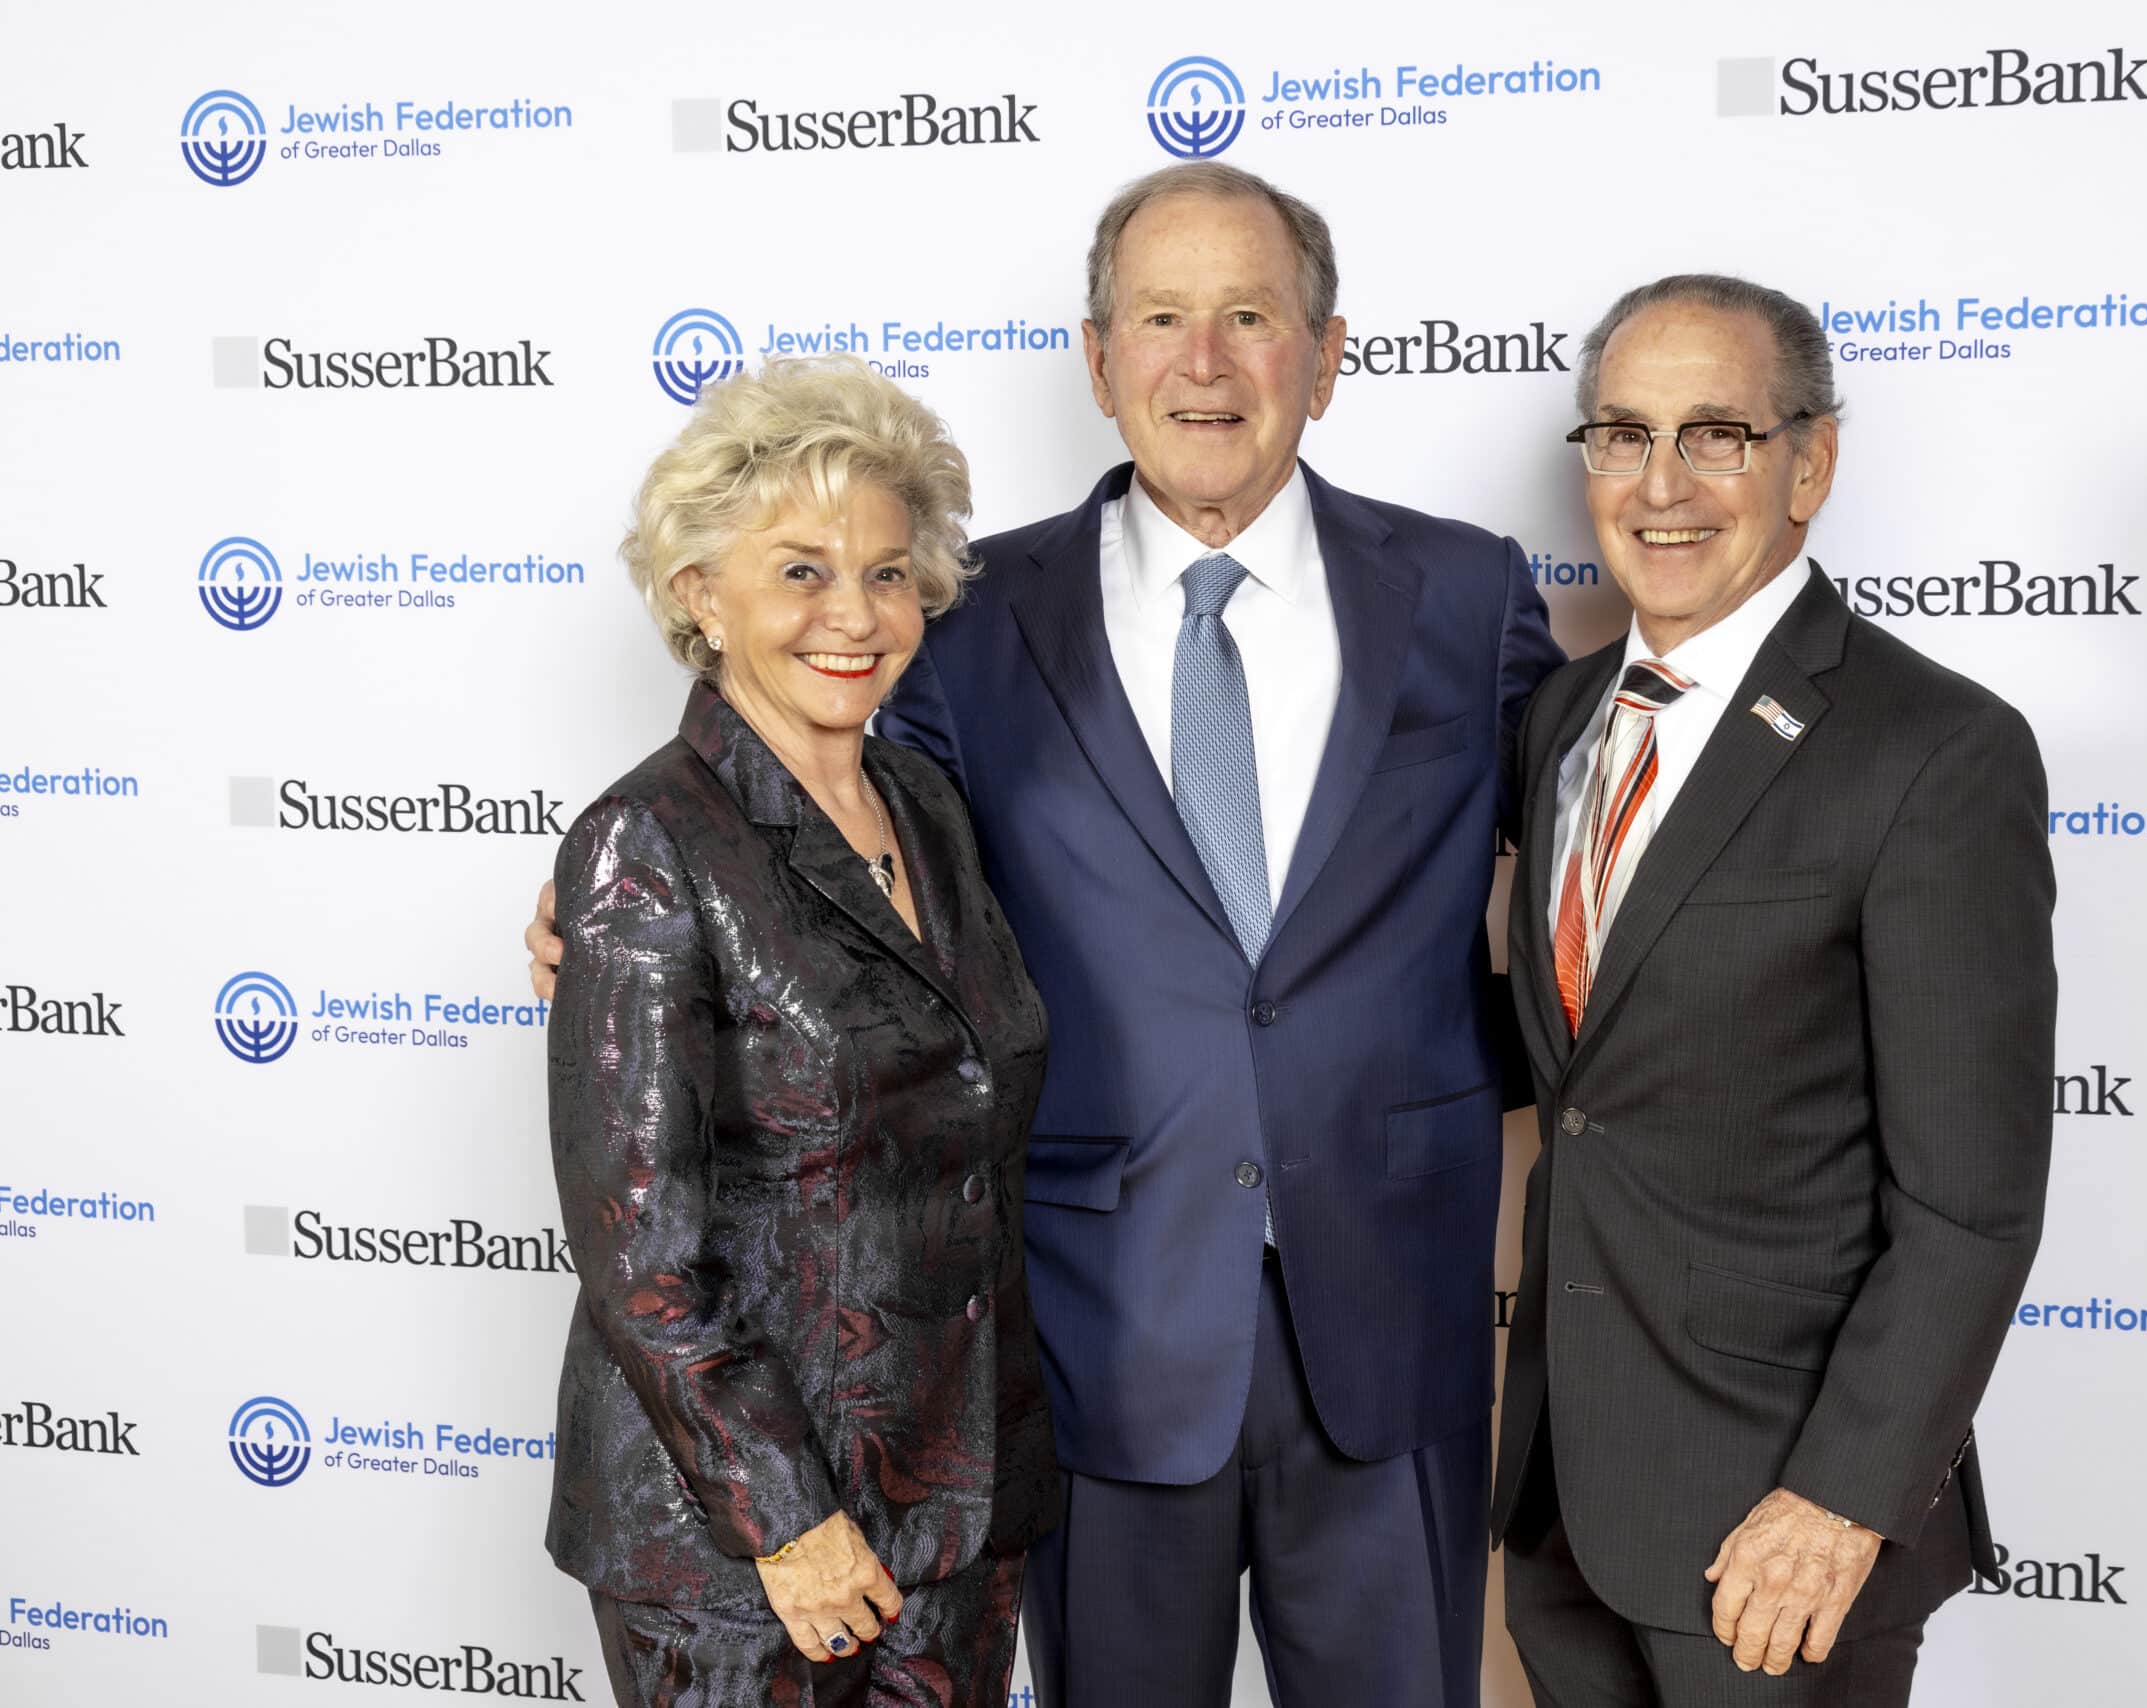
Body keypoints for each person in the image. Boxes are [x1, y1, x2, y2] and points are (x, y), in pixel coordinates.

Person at [532, 162, 1562, 1707]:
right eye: (1160, 317)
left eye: (1249, 317)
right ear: (1096, 358)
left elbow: (1607, 845)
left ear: (1328, 355)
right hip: (1090, 1340)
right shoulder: (962, 621)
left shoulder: (1467, 593)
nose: (1203, 362)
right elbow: (811, 848)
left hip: (1394, 1322)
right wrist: (607, 908)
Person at [1492, 275, 2056, 1707]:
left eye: (1717, 435)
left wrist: (1841, 1503)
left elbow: (1971, 1206)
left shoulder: (1935, 751)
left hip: (1778, 1531)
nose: (1661, 485)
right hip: (1566, 1495)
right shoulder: (1564, 716)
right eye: (1624, 434)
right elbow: (1591, 1074)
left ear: (1811, 464)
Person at [544, 357, 1056, 1708]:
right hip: (738, 1554)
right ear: (701, 594)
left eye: (888, 573)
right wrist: (787, 1521)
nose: (854, 614)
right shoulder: (646, 840)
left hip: (953, 1509)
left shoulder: (925, 804)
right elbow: (642, 1252)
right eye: (800, 572)